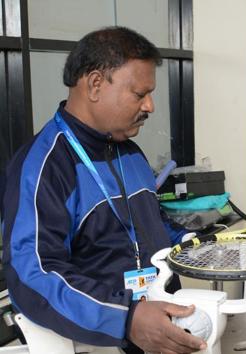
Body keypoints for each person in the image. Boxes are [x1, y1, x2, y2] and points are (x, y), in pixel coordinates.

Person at [1, 27, 206, 354]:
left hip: (159, 327)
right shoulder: (45, 165)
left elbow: (152, 225)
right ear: (95, 84)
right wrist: (125, 318)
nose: (150, 106)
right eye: (140, 94)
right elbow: (33, 276)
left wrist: (198, 246)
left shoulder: (130, 152)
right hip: (101, 341)